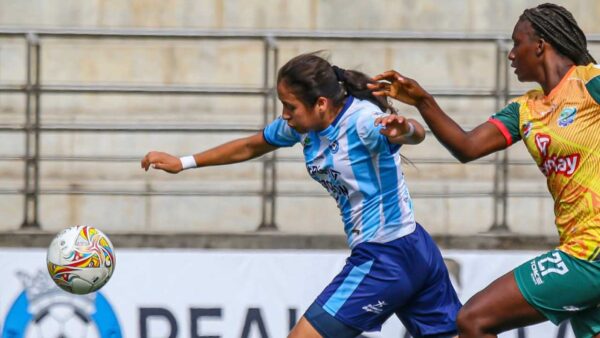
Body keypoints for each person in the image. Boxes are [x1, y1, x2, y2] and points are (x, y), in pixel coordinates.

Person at [141, 52, 462, 338]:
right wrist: (183, 163)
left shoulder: (362, 122)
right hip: (415, 248)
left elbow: (415, 132)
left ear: (321, 104)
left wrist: (404, 129)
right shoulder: (303, 127)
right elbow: (252, 145)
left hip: (385, 257)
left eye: (290, 106)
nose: (285, 114)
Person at [368, 3, 600, 338]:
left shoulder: (589, 84)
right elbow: (466, 147)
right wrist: (422, 100)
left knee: (474, 320)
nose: (510, 55)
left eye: (516, 43)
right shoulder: (526, 109)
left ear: (539, 44)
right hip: (577, 246)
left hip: (589, 253)